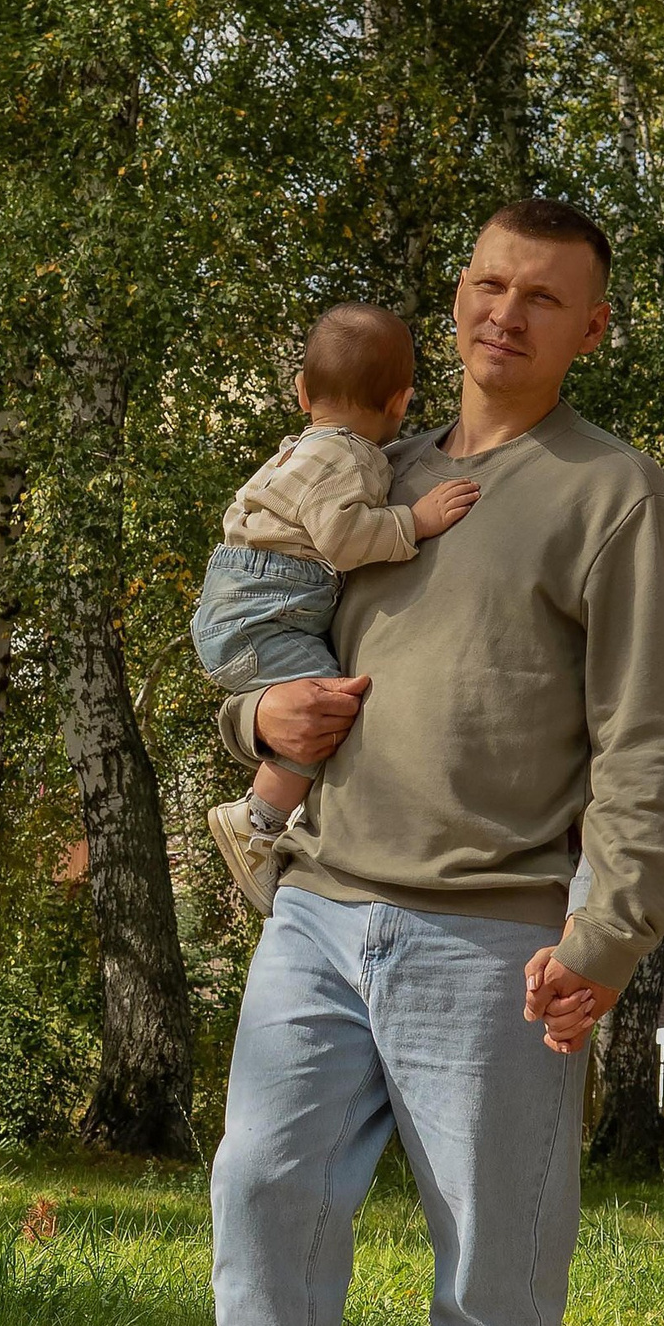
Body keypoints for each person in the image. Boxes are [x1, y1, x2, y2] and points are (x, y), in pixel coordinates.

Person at [146, 199, 664, 1326]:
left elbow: (648, 736)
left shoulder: (611, 493)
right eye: (487, 283)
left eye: (544, 296)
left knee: (493, 1259)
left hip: (496, 929)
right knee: (261, 1194)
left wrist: (609, 931)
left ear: (592, 328)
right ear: (455, 297)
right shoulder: (365, 468)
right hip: (320, 908)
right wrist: (253, 723)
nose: (505, 313)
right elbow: (258, 638)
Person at [196, 303, 480, 916]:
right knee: (325, 707)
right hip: (265, 608)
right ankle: (257, 820)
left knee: (320, 704)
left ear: (302, 391)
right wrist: (414, 521)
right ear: (401, 402)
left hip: (249, 600)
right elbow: (342, 538)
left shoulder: (309, 448)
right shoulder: (345, 457)